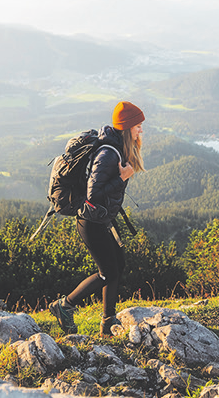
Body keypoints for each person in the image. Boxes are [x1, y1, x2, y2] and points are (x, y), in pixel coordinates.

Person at [49, 101, 145, 337]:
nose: (141, 130)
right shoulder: (107, 154)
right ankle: (65, 305)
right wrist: (122, 178)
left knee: (117, 267)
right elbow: (94, 194)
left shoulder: (118, 149)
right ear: (126, 127)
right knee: (107, 273)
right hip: (90, 222)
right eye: (138, 126)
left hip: (102, 220)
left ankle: (107, 323)